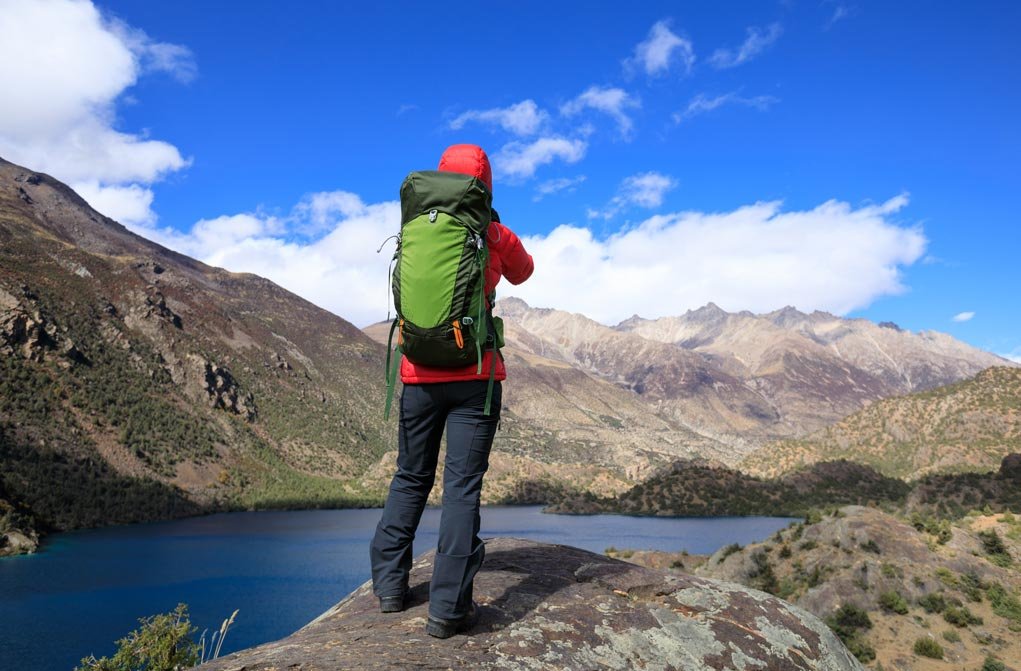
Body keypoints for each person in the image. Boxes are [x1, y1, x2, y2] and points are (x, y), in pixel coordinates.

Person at [369, 144, 534, 638]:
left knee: (410, 477)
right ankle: (446, 612)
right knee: (461, 489)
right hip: (475, 381)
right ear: (484, 184)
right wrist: (495, 232)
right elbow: (524, 271)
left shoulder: (417, 226)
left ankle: (390, 589)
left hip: (418, 378)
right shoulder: (490, 231)